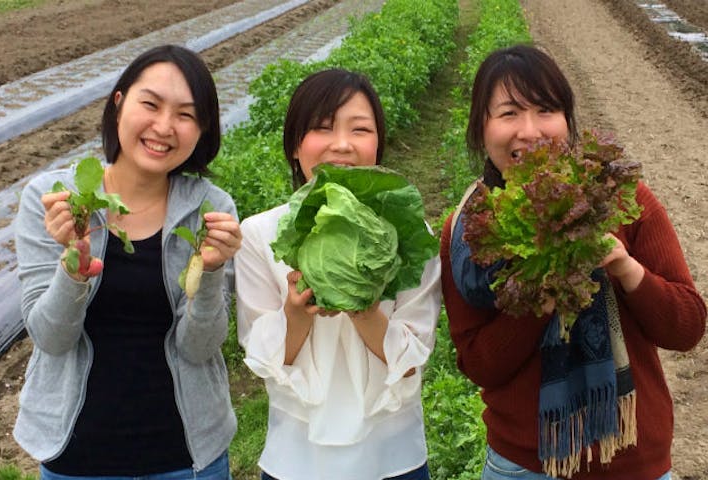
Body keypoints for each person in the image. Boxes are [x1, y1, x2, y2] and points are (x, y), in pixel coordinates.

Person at [440, 44, 707, 480]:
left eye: (546, 110)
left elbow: (687, 327)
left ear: (567, 119)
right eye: (508, 113)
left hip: (633, 463)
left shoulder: (620, 200)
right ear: (481, 129)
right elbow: (479, 366)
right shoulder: (469, 232)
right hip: (522, 466)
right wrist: (542, 293)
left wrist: (625, 268)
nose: (530, 131)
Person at [13, 44, 241, 480]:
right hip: (78, 459)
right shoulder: (57, 200)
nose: (164, 126)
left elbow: (200, 346)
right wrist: (72, 271)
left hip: (188, 458)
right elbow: (50, 337)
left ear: (201, 131)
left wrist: (209, 272)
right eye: (150, 104)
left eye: (186, 115)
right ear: (118, 104)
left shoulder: (210, 207)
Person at [235, 68, 442, 480]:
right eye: (322, 128)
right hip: (295, 457)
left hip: (392, 454)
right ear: (296, 145)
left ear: (378, 143)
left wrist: (362, 307)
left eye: (360, 129)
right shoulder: (259, 234)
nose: (342, 145)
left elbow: (412, 358)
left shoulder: (408, 233)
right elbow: (263, 356)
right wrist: (295, 315)